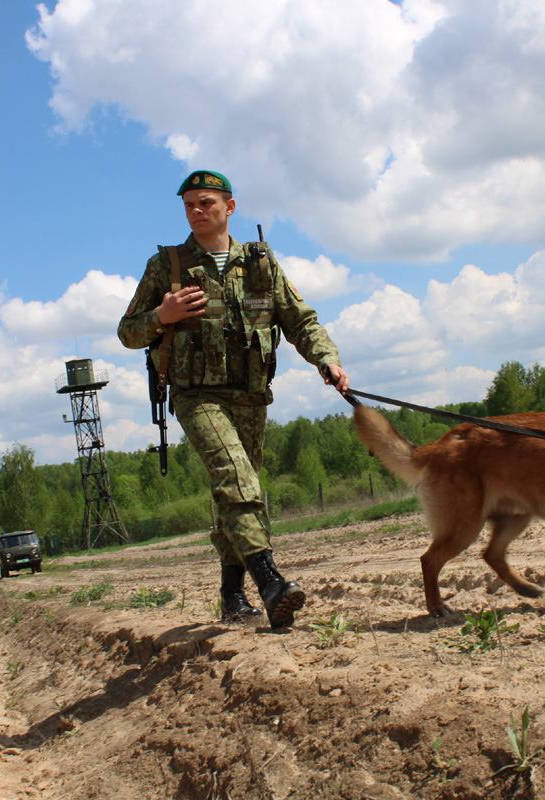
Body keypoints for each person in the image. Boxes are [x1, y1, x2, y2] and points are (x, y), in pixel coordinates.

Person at [118, 170, 350, 629]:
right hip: (196, 394)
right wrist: (161, 315)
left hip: (250, 396)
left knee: (235, 491)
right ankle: (271, 582)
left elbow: (300, 321)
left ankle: (231, 595)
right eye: (189, 205)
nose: (197, 211)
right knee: (237, 477)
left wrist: (327, 360)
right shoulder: (168, 265)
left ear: (230, 206)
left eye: (206, 202)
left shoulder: (259, 263)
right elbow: (128, 331)